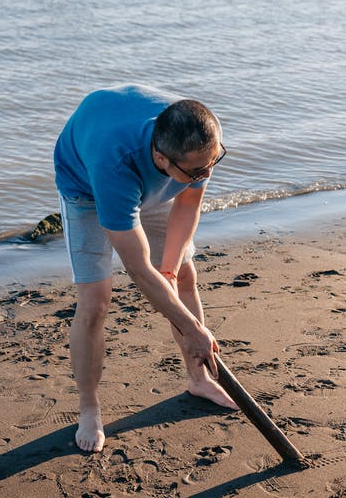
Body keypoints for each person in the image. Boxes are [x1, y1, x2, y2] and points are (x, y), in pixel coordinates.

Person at [54, 84, 237, 453]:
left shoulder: (200, 141)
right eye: (199, 169)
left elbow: (188, 203)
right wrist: (193, 329)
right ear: (162, 158)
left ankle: (197, 378)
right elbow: (137, 269)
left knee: (184, 274)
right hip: (86, 187)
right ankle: (89, 408)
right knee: (95, 300)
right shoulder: (115, 166)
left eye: (212, 162)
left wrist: (169, 268)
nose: (207, 173)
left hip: (155, 175)